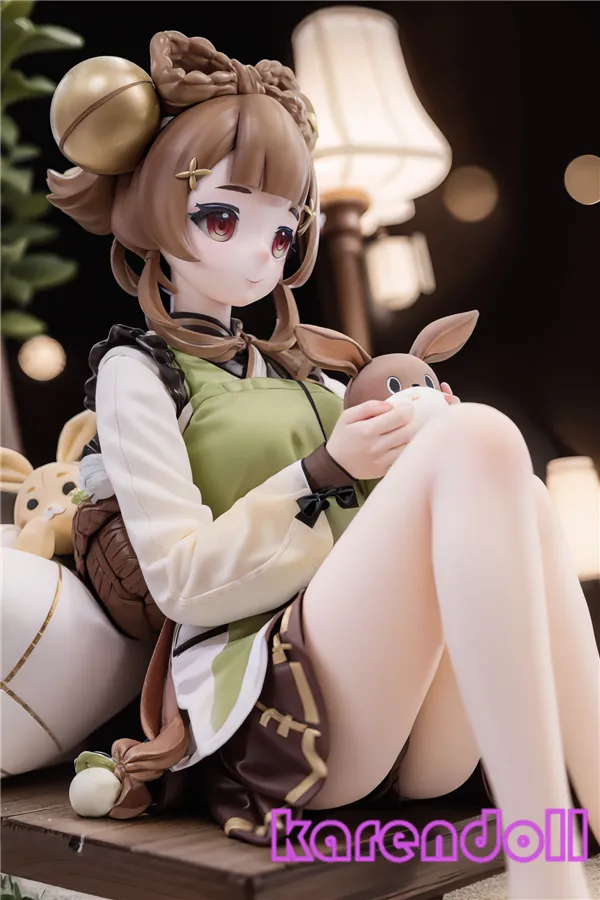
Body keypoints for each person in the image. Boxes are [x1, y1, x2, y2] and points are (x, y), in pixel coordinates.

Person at [47, 31, 599, 900]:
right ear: (153, 208)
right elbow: (181, 582)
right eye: (222, 217)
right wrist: (320, 473)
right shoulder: (137, 373)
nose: (257, 252)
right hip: (274, 716)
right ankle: (550, 881)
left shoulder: (307, 370)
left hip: (403, 721)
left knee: (511, 482)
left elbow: (392, 527)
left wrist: (420, 452)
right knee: (481, 439)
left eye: (280, 231)